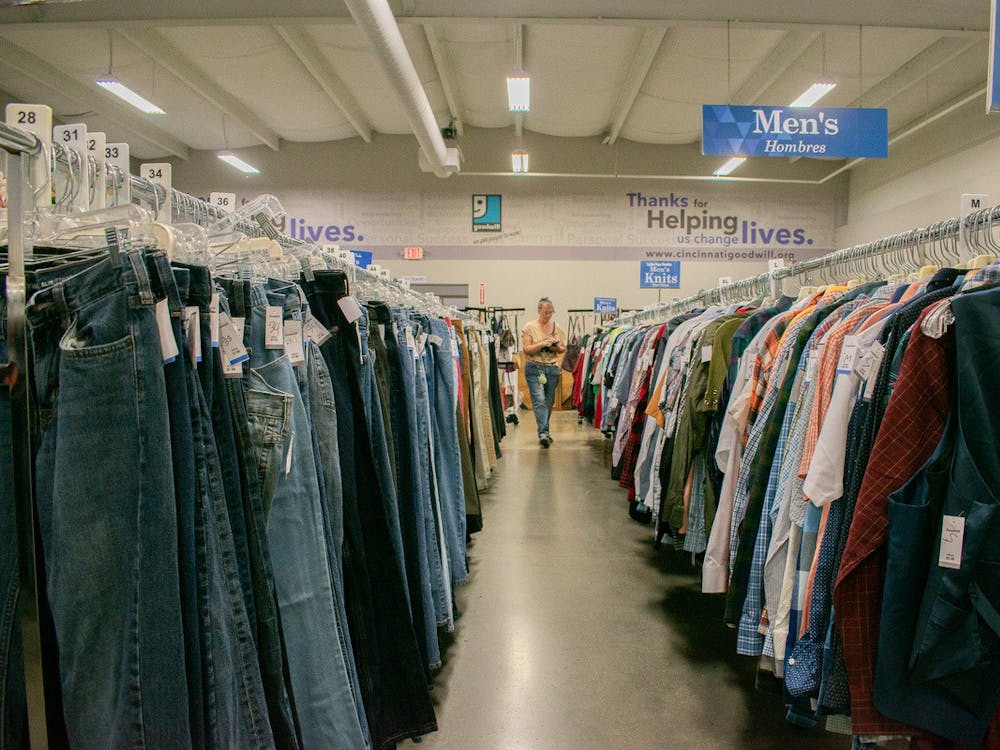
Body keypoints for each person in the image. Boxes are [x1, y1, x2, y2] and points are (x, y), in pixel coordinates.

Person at [521, 297, 567, 447]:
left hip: (552, 368)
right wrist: (542, 344)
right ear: (539, 311)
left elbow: (562, 349)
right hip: (534, 367)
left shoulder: (556, 327)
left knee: (548, 402)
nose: (548, 315)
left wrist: (554, 346)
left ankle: (544, 431)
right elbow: (526, 349)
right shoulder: (529, 327)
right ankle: (543, 433)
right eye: (546, 312)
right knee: (539, 400)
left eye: (551, 312)